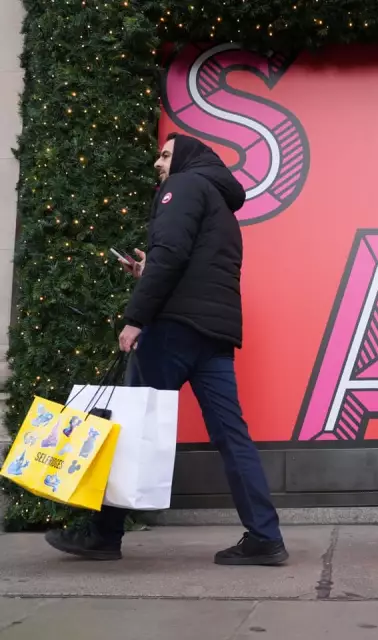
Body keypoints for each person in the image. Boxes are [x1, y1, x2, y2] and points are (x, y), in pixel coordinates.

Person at [44, 133, 289, 567]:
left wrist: (136, 317)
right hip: (212, 336)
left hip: (172, 330)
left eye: (165, 155)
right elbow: (193, 266)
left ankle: (103, 534)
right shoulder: (221, 207)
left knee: (128, 427)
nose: (158, 163)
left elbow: (172, 253)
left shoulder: (184, 186)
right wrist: (146, 270)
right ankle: (265, 536)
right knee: (232, 436)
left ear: (187, 157)